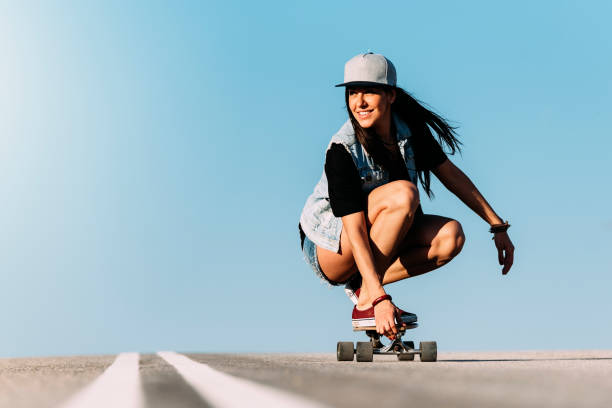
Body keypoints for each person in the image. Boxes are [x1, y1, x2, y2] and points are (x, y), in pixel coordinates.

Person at [298, 52, 514, 340]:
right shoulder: (343, 149)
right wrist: (379, 298)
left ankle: (363, 290)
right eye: (352, 93)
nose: (358, 102)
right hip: (329, 246)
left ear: (391, 96)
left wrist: (497, 226)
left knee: (451, 237)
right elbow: (354, 227)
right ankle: (368, 297)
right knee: (403, 193)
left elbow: (451, 175)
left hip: (372, 235)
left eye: (369, 92)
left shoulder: (409, 133)